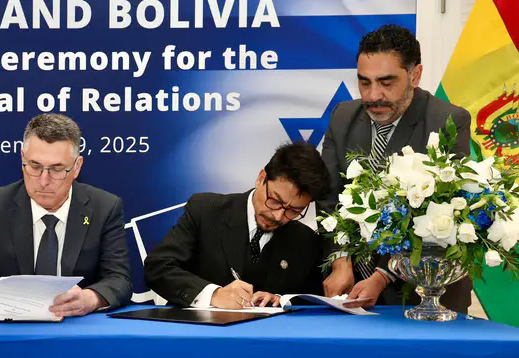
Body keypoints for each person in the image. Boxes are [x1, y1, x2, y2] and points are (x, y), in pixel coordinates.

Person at [320, 24, 472, 312]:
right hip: (349, 291)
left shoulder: (448, 121)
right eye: (364, 82)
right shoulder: (342, 116)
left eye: (386, 83)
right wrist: (340, 260)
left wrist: (381, 276)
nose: (373, 95)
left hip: (422, 295)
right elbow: (328, 198)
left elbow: (441, 212)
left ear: (415, 75)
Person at [0, 114, 132, 317]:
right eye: (35, 166)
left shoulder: (105, 207)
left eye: (57, 169)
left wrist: (89, 299)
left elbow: (119, 279)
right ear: (23, 157)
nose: (44, 181)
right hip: (10, 327)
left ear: (77, 166)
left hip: (76, 328)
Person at [144, 141, 330, 309]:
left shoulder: (305, 240)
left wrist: (281, 300)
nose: (278, 216)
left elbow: (313, 299)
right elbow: (158, 266)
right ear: (261, 178)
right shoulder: (205, 211)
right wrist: (213, 294)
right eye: (275, 200)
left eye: (294, 211)